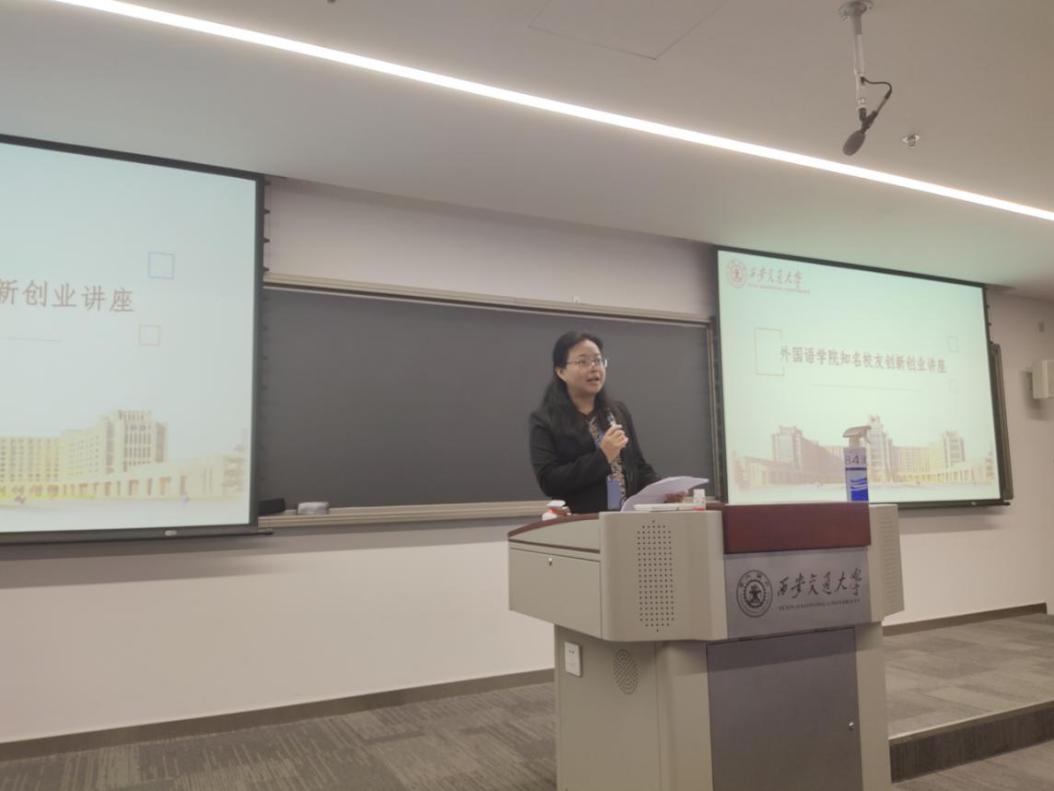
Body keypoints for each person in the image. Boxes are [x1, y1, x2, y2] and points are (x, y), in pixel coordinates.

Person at [529, 331, 658, 514]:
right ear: (561, 372)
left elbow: (638, 466)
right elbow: (549, 481)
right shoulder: (545, 420)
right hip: (582, 521)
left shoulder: (617, 412)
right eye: (583, 362)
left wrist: (662, 490)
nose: (594, 368)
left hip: (626, 518)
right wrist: (603, 457)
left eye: (598, 360)